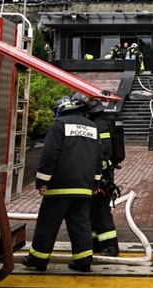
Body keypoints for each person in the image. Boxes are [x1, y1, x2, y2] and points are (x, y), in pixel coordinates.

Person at [22, 94, 102, 273]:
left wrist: (42, 181)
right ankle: (83, 262)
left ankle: (38, 259)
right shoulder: (92, 127)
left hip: (60, 186)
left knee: (47, 223)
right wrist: (96, 183)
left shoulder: (60, 124)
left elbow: (50, 154)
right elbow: (98, 157)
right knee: (81, 224)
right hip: (84, 186)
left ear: (60, 110)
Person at [84, 95, 126, 257]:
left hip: (102, 177)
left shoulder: (100, 125)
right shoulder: (98, 123)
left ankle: (111, 247)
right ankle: (96, 244)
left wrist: (95, 174)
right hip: (98, 176)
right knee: (91, 211)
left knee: (101, 211)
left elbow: (104, 154)